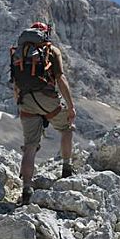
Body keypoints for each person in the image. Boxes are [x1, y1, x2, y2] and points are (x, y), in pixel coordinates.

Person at [12, 21, 76, 205]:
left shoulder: (19, 53)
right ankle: (66, 169)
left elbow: (15, 85)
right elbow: (60, 79)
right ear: (45, 33)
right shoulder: (51, 50)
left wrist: (21, 103)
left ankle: (26, 189)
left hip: (26, 101)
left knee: (30, 146)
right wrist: (70, 106)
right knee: (66, 128)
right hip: (47, 98)